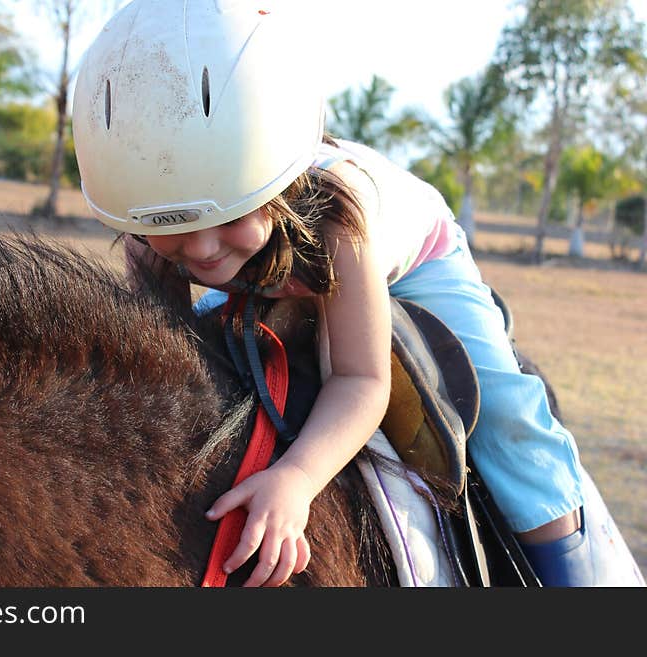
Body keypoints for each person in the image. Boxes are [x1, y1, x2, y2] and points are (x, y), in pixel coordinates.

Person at [71, 0, 638, 587]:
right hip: (273, 266)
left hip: (415, 257)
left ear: (279, 185)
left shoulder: (342, 222)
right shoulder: (147, 230)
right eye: (173, 232)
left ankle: (578, 575)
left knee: (505, 412)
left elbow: (363, 381)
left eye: (230, 216)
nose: (204, 250)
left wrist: (297, 478)